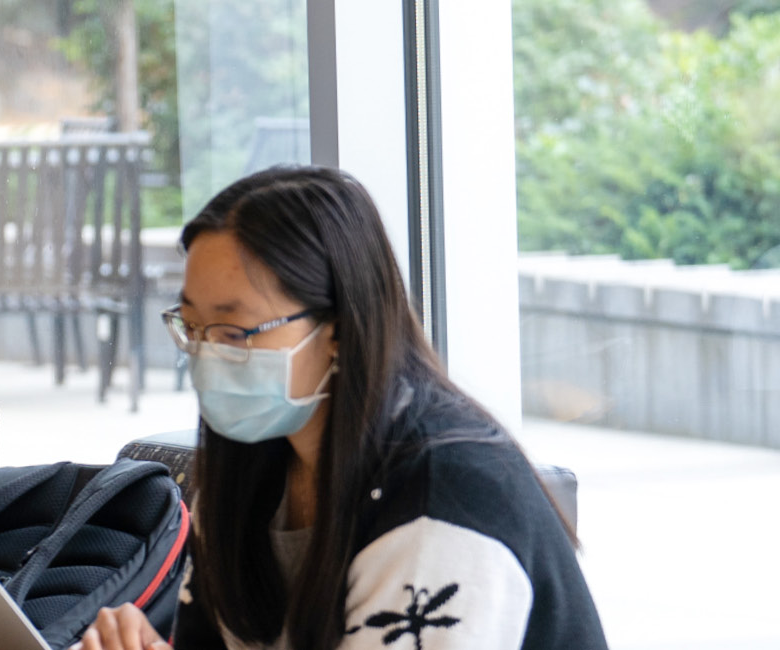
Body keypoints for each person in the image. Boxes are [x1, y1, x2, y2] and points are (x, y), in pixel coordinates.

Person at [75, 166, 605, 650]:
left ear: (338, 330)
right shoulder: (249, 465)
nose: (208, 354)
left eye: (235, 331)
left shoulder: (445, 496)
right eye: (192, 327)